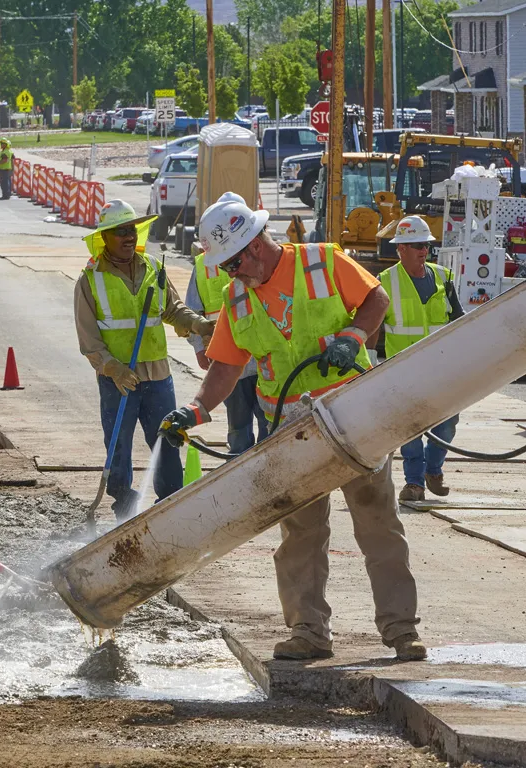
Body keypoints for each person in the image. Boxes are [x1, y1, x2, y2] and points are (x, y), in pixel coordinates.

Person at [160, 198, 426, 662]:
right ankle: (308, 631)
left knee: (379, 525)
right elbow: (225, 368)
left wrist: (352, 338)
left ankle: (401, 631)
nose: (228, 274)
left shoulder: (321, 261)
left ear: (255, 246)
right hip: (294, 431)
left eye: (232, 263)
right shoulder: (237, 299)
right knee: (301, 534)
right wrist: (195, 410)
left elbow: (375, 299)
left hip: (352, 416)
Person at [75, 200, 215, 520]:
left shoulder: (154, 267)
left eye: (132, 230)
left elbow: (172, 309)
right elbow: (88, 338)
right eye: (121, 231)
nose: (128, 236)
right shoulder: (91, 279)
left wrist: (198, 324)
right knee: (119, 442)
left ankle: (170, 500)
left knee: (167, 437)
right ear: (106, 237)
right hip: (118, 379)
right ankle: (122, 498)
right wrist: (113, 369)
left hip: (157, 374)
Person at [379, 215, 464, 502]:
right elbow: (370, 324)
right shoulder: (385, 282)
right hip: (403, 371)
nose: (423, 250)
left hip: (442, 369)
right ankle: (414, 482)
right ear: (400, 249)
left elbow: (459, 319)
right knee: (409, 429)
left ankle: (434, 469)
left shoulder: (443, 277)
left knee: (448, 423)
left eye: (426, 245)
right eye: (416, 245)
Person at [184, 192, 268, 454]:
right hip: (230, 363)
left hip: (263, 358)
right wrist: (200, 347)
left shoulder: (263, 261)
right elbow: (192, 310)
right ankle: (239, 474)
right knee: (239, 428)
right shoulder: (203, 266)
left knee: (269, 427)